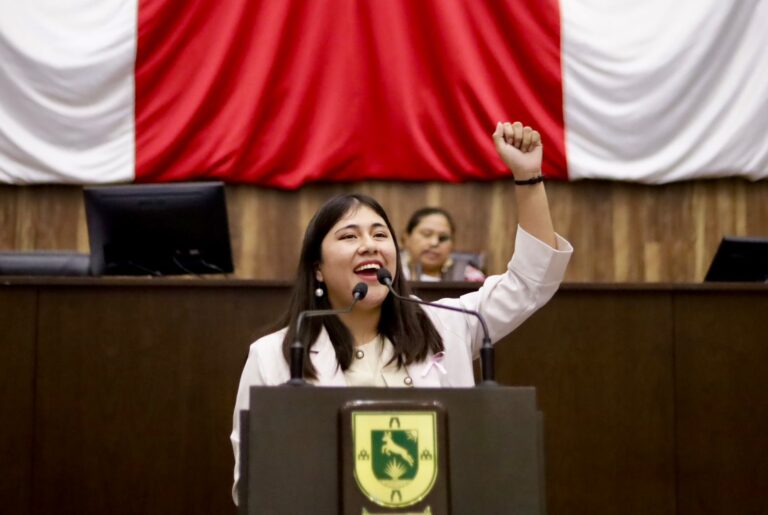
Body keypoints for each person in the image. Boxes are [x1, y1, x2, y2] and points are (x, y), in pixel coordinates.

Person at [230, 121, 573, 503]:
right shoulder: (273, 355)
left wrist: (528, 178)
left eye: (380, 235)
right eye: (349, 236)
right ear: (317, 269)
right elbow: (252, 481)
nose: (369, 246)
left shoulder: (449, 325)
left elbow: (531, 282)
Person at [401, 206, 486, 282]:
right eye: (427, 234)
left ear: (453, 244)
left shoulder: (471, 278)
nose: (434, 243)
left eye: (443, 237)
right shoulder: (391, 276)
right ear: (406, 238)